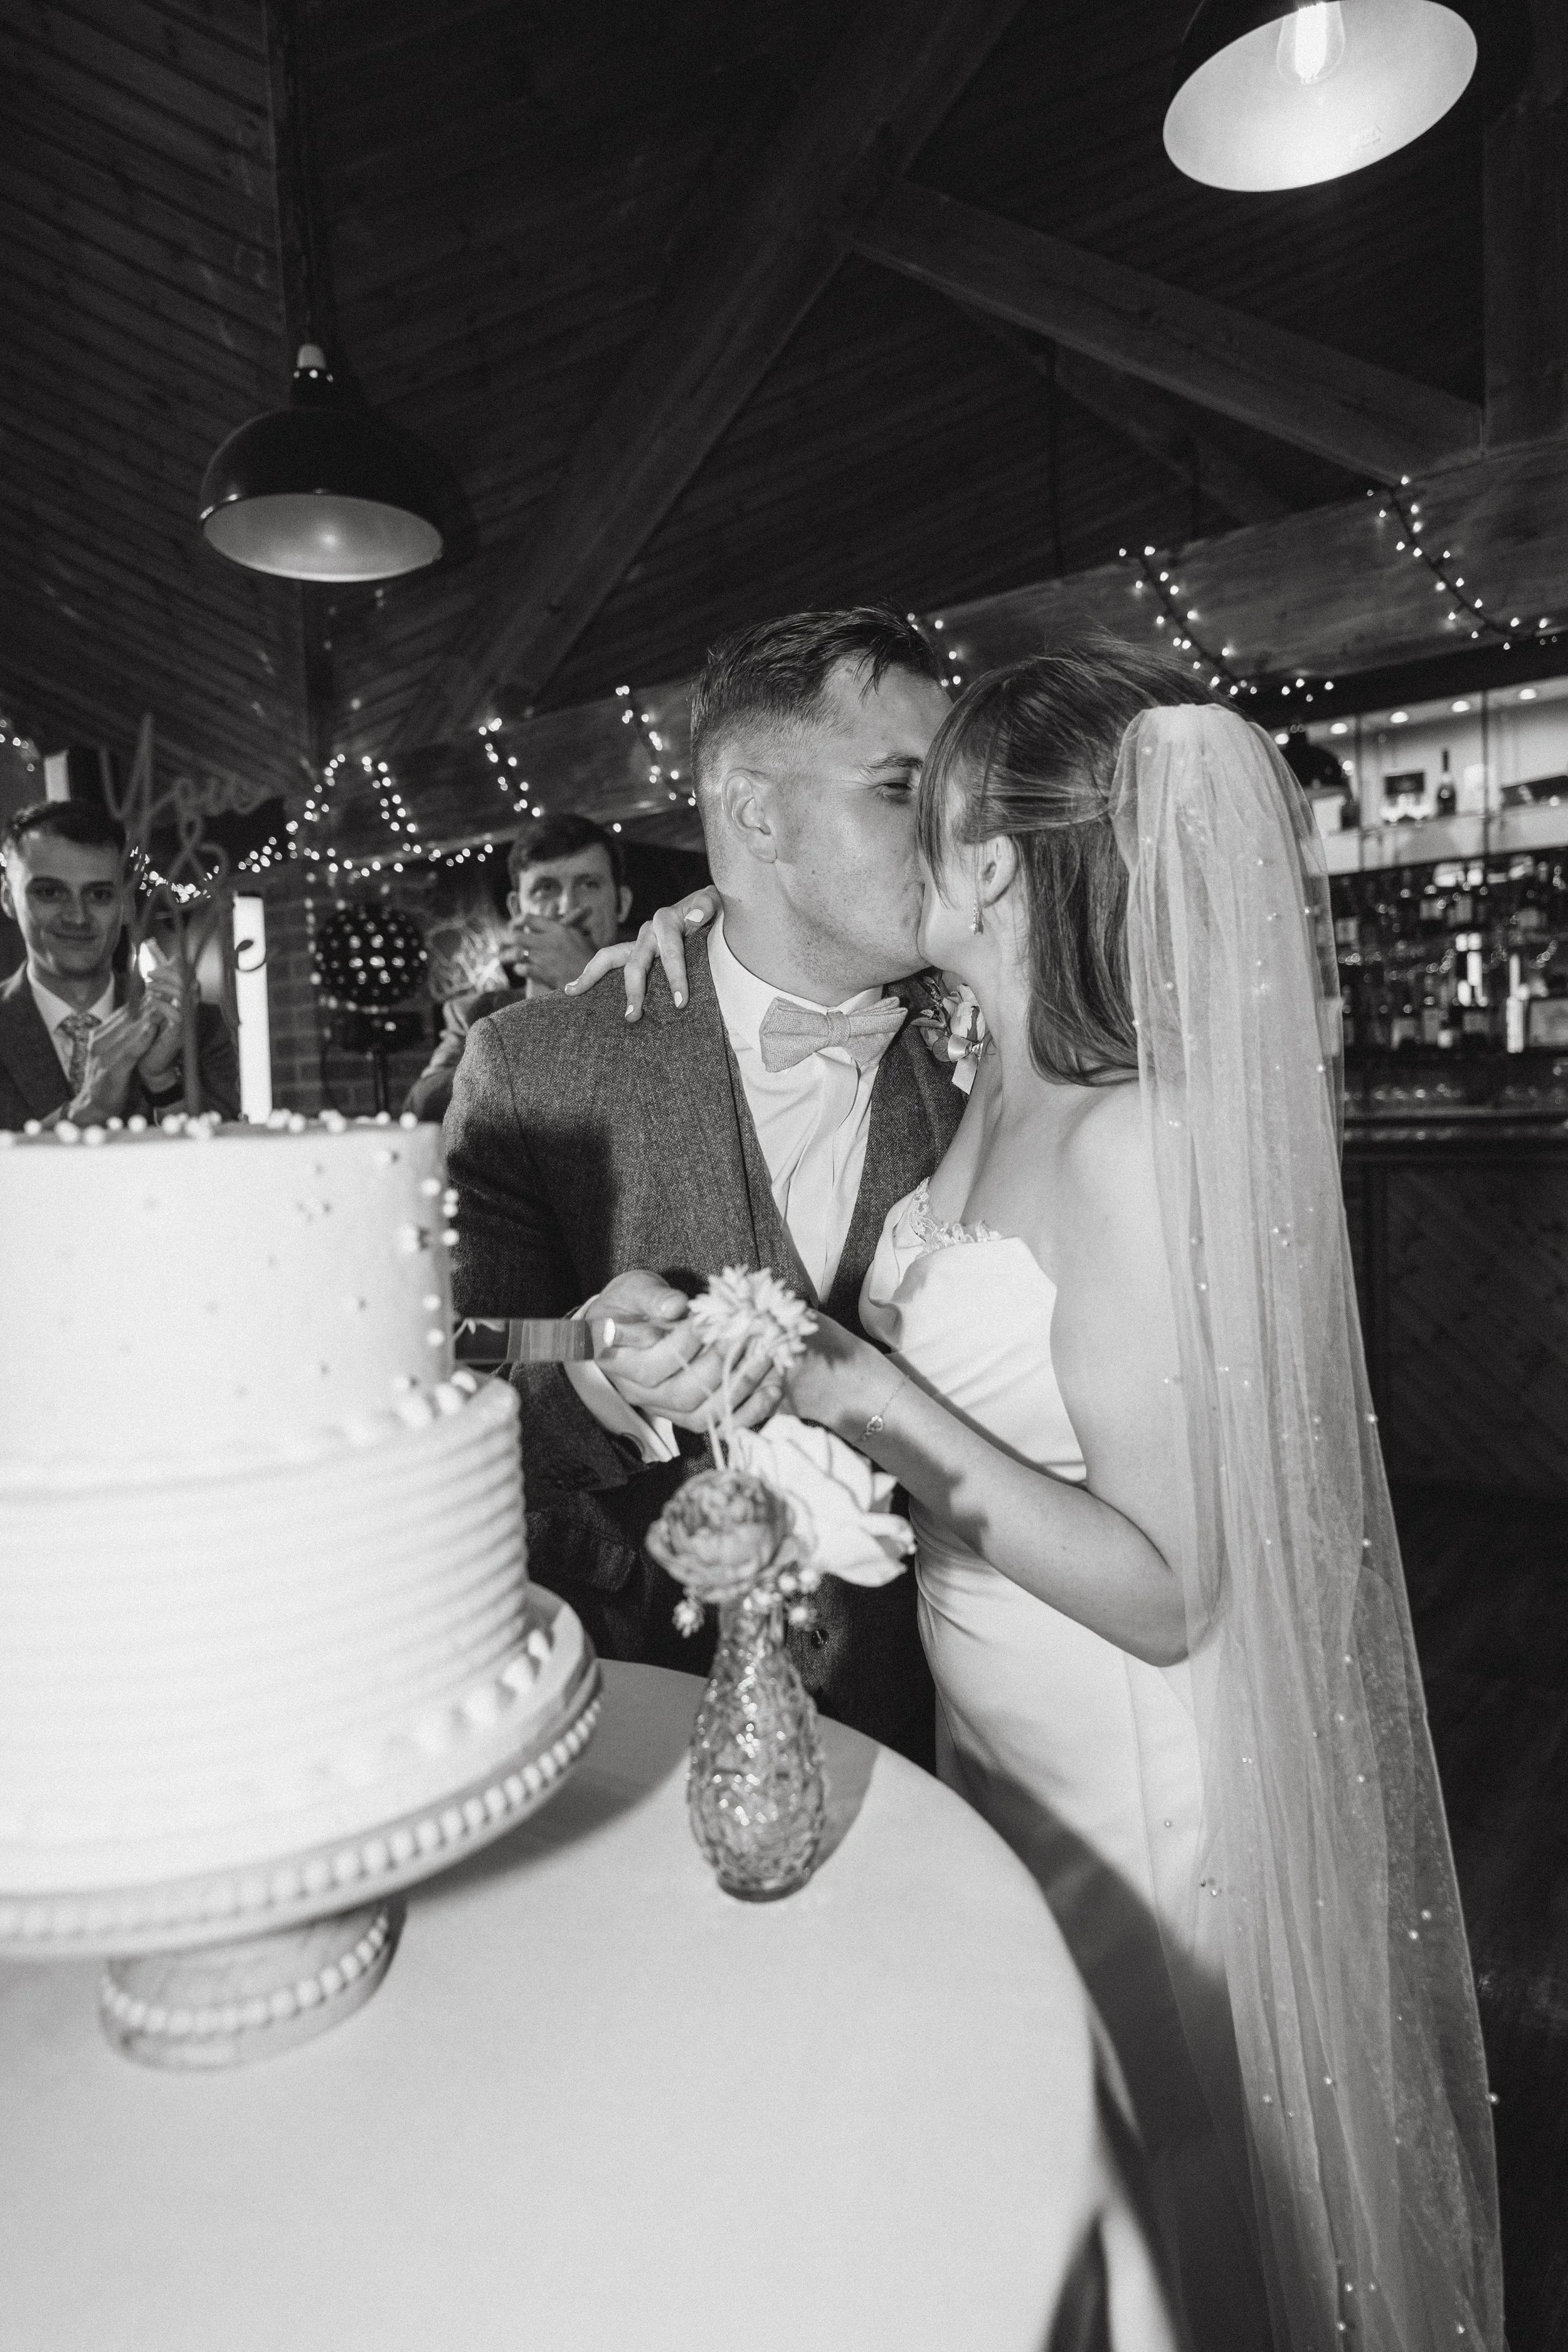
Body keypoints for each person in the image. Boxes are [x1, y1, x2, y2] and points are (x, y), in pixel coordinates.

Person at [577, 646, 1503, 2352]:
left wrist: (869, 1394)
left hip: (1129, 1746)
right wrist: (777, 1441)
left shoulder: (1126, 1143)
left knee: (1181, 2167)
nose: (905, 832)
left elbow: (1171, 1589)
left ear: (990, 862)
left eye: (919, 803)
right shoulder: (976, 1071)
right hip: (994, 1734)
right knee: (1064, 2125)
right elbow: (948, 1427)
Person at [445, 608, 963, 1764]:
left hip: (941, 1734)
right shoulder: (537, 1070)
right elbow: (470, 1366)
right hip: (632, 1725)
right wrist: (588, 1369)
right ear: (754, 812)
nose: (951, 828)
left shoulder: (997, 1055)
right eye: (899, 789)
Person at [0, 798, 239, 1131]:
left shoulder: (203, 1029)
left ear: (126, 904)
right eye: (50, 892)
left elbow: (226, 1174)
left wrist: (162, 1082)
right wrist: (83, 1112)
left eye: (98, 895)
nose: (77, 917)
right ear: (8, 897)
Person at [403, 814, 633, 1123]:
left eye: (589, 884)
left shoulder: (658, 994)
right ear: (516, 909)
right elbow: (423, 1110)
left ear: (623, 903)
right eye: (545, 889)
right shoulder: (473, 1013)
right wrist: (531, 1018)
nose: (567, 907)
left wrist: (586, 991)